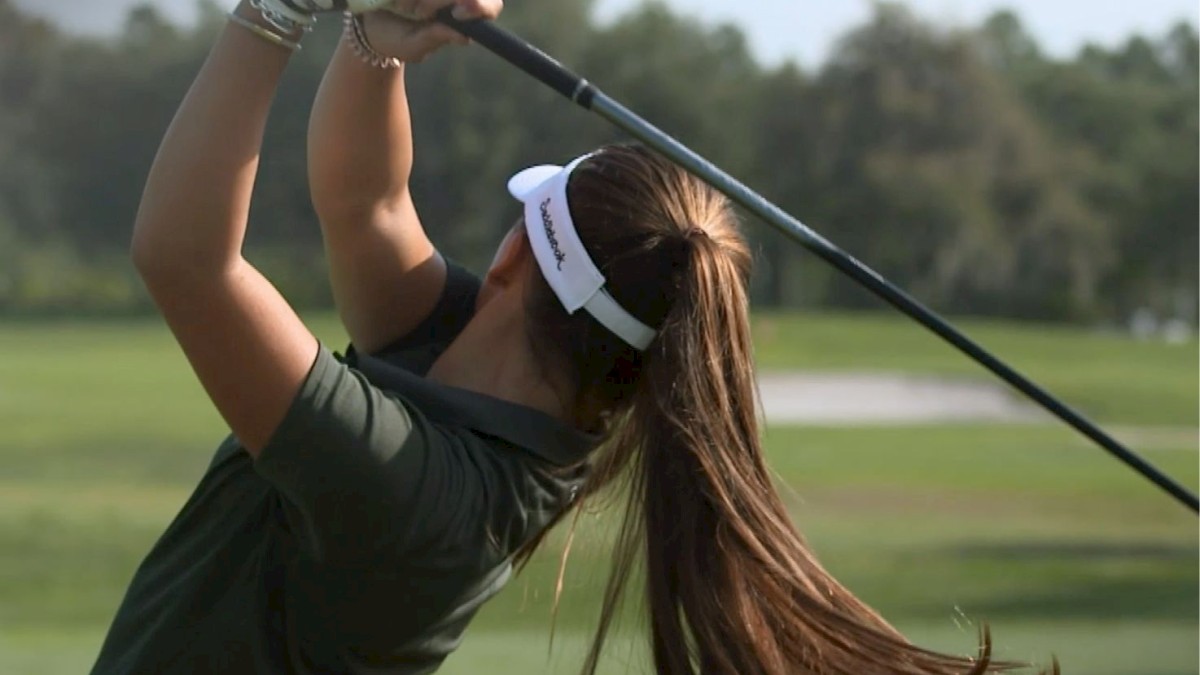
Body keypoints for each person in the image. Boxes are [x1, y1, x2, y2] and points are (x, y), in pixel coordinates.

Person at [91, 1, 1041, 673]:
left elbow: (186, 260)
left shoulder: (413, 489)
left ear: (513, 262)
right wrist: (377, 42)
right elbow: (365, 201)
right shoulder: (497, 383)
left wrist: (274, 11)